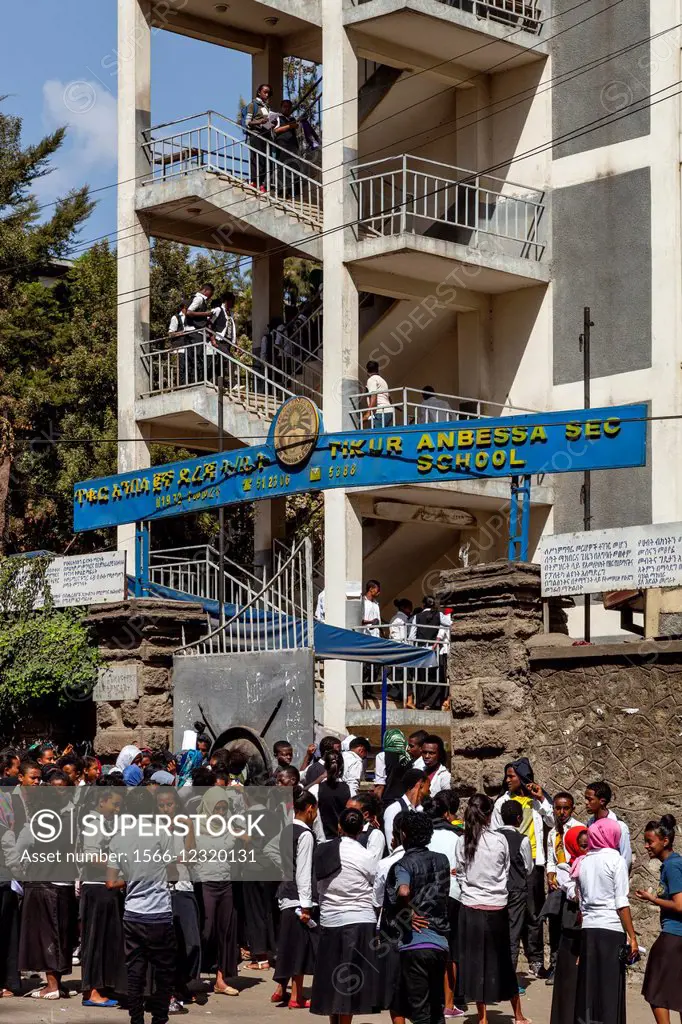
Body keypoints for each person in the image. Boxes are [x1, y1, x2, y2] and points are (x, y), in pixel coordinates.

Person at [456, 793, 529, 1024]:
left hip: (470, 907)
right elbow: (506, 871)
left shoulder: (462, 841)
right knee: (504, 962)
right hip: (496, 907)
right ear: (489, 815)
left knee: (477, 963)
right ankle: (518, 1015)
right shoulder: (500, 841)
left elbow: (460, 874)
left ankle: (483, 1017)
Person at [107, 786, 177, 1024]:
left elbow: (110, 881)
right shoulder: (162, 834)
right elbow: (173, 872)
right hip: (159, 913)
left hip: (133, 914)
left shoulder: (118, 838)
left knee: (135, 971)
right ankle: (160, 1018)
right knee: (164, 972)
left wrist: (129, 879)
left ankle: (136, 1019)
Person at [310, 807, 382, 1020]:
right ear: (361, 830)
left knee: (332, 980)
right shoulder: (367, 856)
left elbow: (317, 883)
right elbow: (375, 887)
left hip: (331, 920)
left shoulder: (323, 851)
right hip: (360, 921)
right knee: (349, 982)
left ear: (339, 826)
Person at [384, 810, 451, 1024]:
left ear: (404, 834)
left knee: (420, 1011)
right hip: (440, 943)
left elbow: (403, 891)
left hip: (415, 945)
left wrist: (409, 912)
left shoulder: (404, 864)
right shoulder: (443, 860)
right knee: (436, 1008)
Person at [491, 758, 554, 977]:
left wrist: (542, 800)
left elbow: (552, 822)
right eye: (506, 776)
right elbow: (494, 832)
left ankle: (535, 959)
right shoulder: (502, 802)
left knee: (533, 913)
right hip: (509, 864)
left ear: (523, 777)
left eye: (512, 776)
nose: (507, 780)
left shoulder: (536, 801)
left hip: (533, 862)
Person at [573, 818, 638, 1024]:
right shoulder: (616, 860)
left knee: (589, 984)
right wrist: (632, 936)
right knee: (610, 984)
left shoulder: (583, 861)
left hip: (589, 928)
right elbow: (621, 902)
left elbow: (581, 901)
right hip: (611, 928)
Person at [156, 786, 202, 1014]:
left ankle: (182, 979)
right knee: (169, 944)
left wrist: (188, 830)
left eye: (169, 804)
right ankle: (171, 987)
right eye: (161, 805)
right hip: (163, 890)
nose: (166, 809)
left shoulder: (185, 824)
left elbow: (191, 854)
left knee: (191, 941)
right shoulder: (152, 828)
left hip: (183, 885)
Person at [273, 788, 319, 1008]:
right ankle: (296, 996)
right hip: (298, 899)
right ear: (310, 809)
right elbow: (304, 872)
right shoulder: (306, 835)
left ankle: (285, 990)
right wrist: (306, 905)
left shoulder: (285, 830)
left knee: (289, 946)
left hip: (284, 896)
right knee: (299, 948)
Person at [79, 786, 126, 1008]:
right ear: (102, 802)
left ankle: (102, 987)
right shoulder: (93, 822)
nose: (117, 809)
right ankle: (93, 991)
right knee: (95, 940)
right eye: (114, 804)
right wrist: (116, 865)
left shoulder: (106, 823)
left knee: (106, 940)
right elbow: (90, 856)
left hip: (107, 888)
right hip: (97, 887)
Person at [637, 814, 682, 1024]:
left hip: (673, 935)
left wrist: (652, 898)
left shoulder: (672, 865)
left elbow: (680, 905)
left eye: (650, 842)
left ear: (665, 841)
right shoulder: (674, 863)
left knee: (654, 989)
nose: (646, 846)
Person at [426, 792, 465, 1019]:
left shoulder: (425, 835)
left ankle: (431, 998)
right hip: (454, 895)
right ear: (449, 813)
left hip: (428, 896)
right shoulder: (459, 836)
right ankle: (449, 1003)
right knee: (451, 950)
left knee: (430, 945)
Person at [550, 826, 588, 1024]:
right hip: (572, 926)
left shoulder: (591, 863)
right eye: (582, 846)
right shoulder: (565, 867)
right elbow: (573, 893)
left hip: (588, 926)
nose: (586, 849)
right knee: (568, 978)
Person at [545, 791, 584, 984]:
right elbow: (551, 859)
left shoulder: (579, 829)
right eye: (558, 808)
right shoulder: (553, 832)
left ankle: (569, 966)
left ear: (572, 809)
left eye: (565, 808)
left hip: (574, 884)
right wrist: (550, 875)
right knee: (554, 924)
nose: (561, 812)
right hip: (558, 885)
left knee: (571, 926)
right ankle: (555, 964)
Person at [496, 800, 533, 980]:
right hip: (517, 889)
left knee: (495, 932)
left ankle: (494, 975)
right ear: (519, 819)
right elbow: (528, 867)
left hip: (495, 889)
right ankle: (509, 979)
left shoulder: (492, 837)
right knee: (513, 933)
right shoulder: (523, 840)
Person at [584, 780, 633, 869]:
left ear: (602, 801)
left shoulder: (619, 825)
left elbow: (626, 858)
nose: (586, 802)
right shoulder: (590, 823)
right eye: (585, 798)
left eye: (590, 799)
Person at [308, 750, 351, 841]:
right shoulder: (349, 789)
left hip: (322, 839)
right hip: (343, 840)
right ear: (342, 767)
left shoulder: (315, 790)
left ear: (325, 766)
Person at [384, 768, 430, 849]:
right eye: (428, 786)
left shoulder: (421, 810)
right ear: (421, 784)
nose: (429, 791)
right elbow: (392, 845)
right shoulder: (394, 809)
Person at [414, 598, 446, 710]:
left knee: (421, 675)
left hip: (421, 649)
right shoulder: (439, 615)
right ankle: (431, 703)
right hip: (433, 650)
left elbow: (412, 634)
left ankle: (420, 702)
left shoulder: (416, 617)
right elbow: (449, 624)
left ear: (423, 605)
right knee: (433, 675)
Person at [245, 83, 274, 190]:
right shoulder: (253, 105)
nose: (267, 94)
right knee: (256, 158)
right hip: (256, 134)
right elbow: (248, 122)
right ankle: (254, 181)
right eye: (265, 92)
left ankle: (262, 183)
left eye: (268, 93)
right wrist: (260, 121)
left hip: (265, 135)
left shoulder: (266, 106)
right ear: (259, 92)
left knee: (264, 160)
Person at [374, 728, 411, 807]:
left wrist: (375, 806)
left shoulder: (382, 756)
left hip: (388, 801)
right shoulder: (408, 756)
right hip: (406, 801)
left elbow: (380, 785)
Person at [272, 99, 300, 197]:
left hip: (293, 144)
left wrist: (293, 125)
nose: (287, 108)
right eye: (285, 106)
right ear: (281, 107)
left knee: (294, 166)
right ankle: (281, 189)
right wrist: (289, 126)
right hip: (282, 143)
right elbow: (275, 130)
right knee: (282, 166)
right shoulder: (278, 118)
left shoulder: (292, 119)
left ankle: (293, 190)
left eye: (289, 107)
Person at [347, 792, 385, 861]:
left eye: (351, 811)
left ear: (365, 815)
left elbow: (372, 863)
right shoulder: (344, 830)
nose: (346, 814)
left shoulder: (375, 835)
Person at [364, 360, 394, 427]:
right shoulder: (382, 380)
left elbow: (374, 397)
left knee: (377, 435)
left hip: (381, 412)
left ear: (367, 371)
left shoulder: (371, 380)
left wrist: (368, 414)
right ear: (377, 370)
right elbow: (390, 399)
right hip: (389, 411)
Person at [209, 291, 236, 359]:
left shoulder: (231, 313)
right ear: (227, 300)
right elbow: (209, 324)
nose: (234, 303)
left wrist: (235, 344)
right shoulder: (219, 310)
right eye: (232, 301)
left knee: (222, 362)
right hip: (219, 340)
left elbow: (232, 329)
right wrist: (212, 339)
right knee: (230, 359)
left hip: (228, 341)